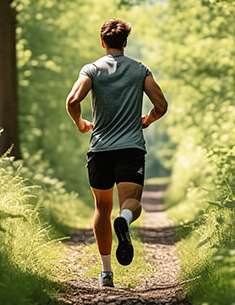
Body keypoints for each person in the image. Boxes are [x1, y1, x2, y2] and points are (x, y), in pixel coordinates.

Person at [65, 18, 168, 288]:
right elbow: (161, 105)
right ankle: (124, 221)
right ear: (125, 42)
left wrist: (80, 123)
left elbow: (73, 101)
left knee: (101, 207)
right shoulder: (140, 70)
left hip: (99, 150)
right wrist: (149, 119)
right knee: (131, 203)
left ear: (102, 42)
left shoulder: (92, 69)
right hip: (131, 148)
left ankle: (106, 272)